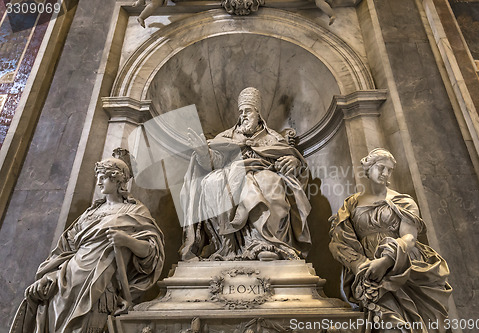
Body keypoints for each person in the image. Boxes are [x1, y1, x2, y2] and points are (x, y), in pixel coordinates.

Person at [10, 149, 165, 333]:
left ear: (118, 181)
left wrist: (127, 241)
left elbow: (152, 254)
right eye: (98, 176)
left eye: (104, 177)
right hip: (66, 280)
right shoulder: (90, 213)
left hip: (98, 284)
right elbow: (65, 250)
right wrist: (49, 276)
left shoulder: (135, 212)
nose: (98, 182)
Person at [180, 87, 311, 261]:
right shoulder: (227, 136)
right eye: (240, 111)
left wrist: (293, 162)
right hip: (231, 174)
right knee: (212, 181)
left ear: (258, 113)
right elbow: (214, 162)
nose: (243, 115)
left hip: (264, 172)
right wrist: (204, 153)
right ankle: (226, 245)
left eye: (247, 111)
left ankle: (264, 242)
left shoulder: (274, 138)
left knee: (269, 182)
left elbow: (292, 160)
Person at [329, 148, 452, 332]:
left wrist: (385, 261)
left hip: (401, 268)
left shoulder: (403, 201)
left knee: (404, 323)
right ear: (368, 168)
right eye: (381, 167)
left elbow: (409, 238)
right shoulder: (351, 204)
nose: (385, 173)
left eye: (389, 170)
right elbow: (340, 241)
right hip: (369, 272)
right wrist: (360, 265)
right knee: (386, 323)